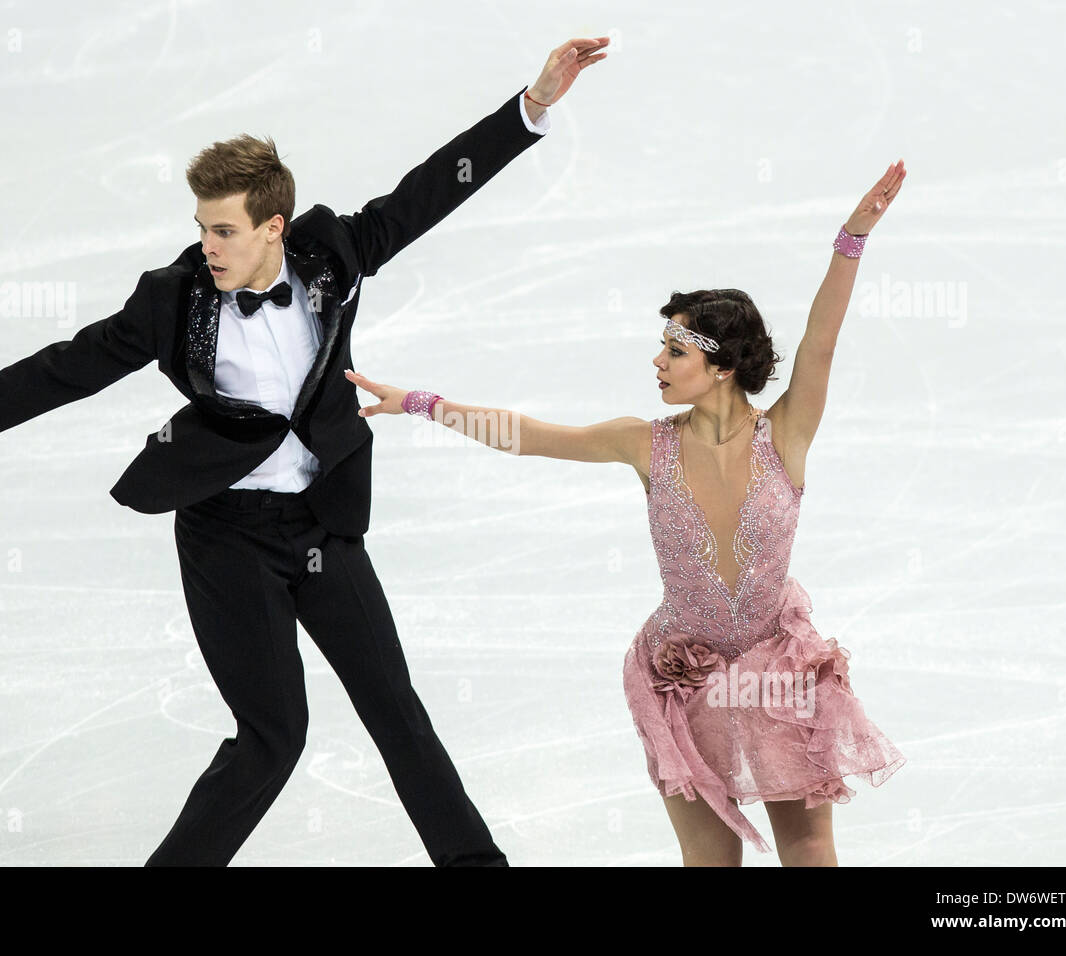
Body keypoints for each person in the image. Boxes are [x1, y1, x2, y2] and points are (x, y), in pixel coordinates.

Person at [0, 37, 611, 866]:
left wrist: (531, 105)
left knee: (396, 710)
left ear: (274, 227)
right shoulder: (173, 300)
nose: (208, 245)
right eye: (202, 228)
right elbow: (63, 370)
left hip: (321, 524)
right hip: (226, 535)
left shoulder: (332, 256)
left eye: (225, 230)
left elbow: (425, 195)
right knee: (273, 738)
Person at [344, 160, 910, 866]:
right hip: (683, 679)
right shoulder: (646, 444)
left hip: (775, 675)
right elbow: (528, 437)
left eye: (675, 350)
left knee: (813, 862)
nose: (658, 361)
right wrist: (423, 404)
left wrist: (851, 239)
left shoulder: (786, 436)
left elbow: (821, 341)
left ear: (723, 365)